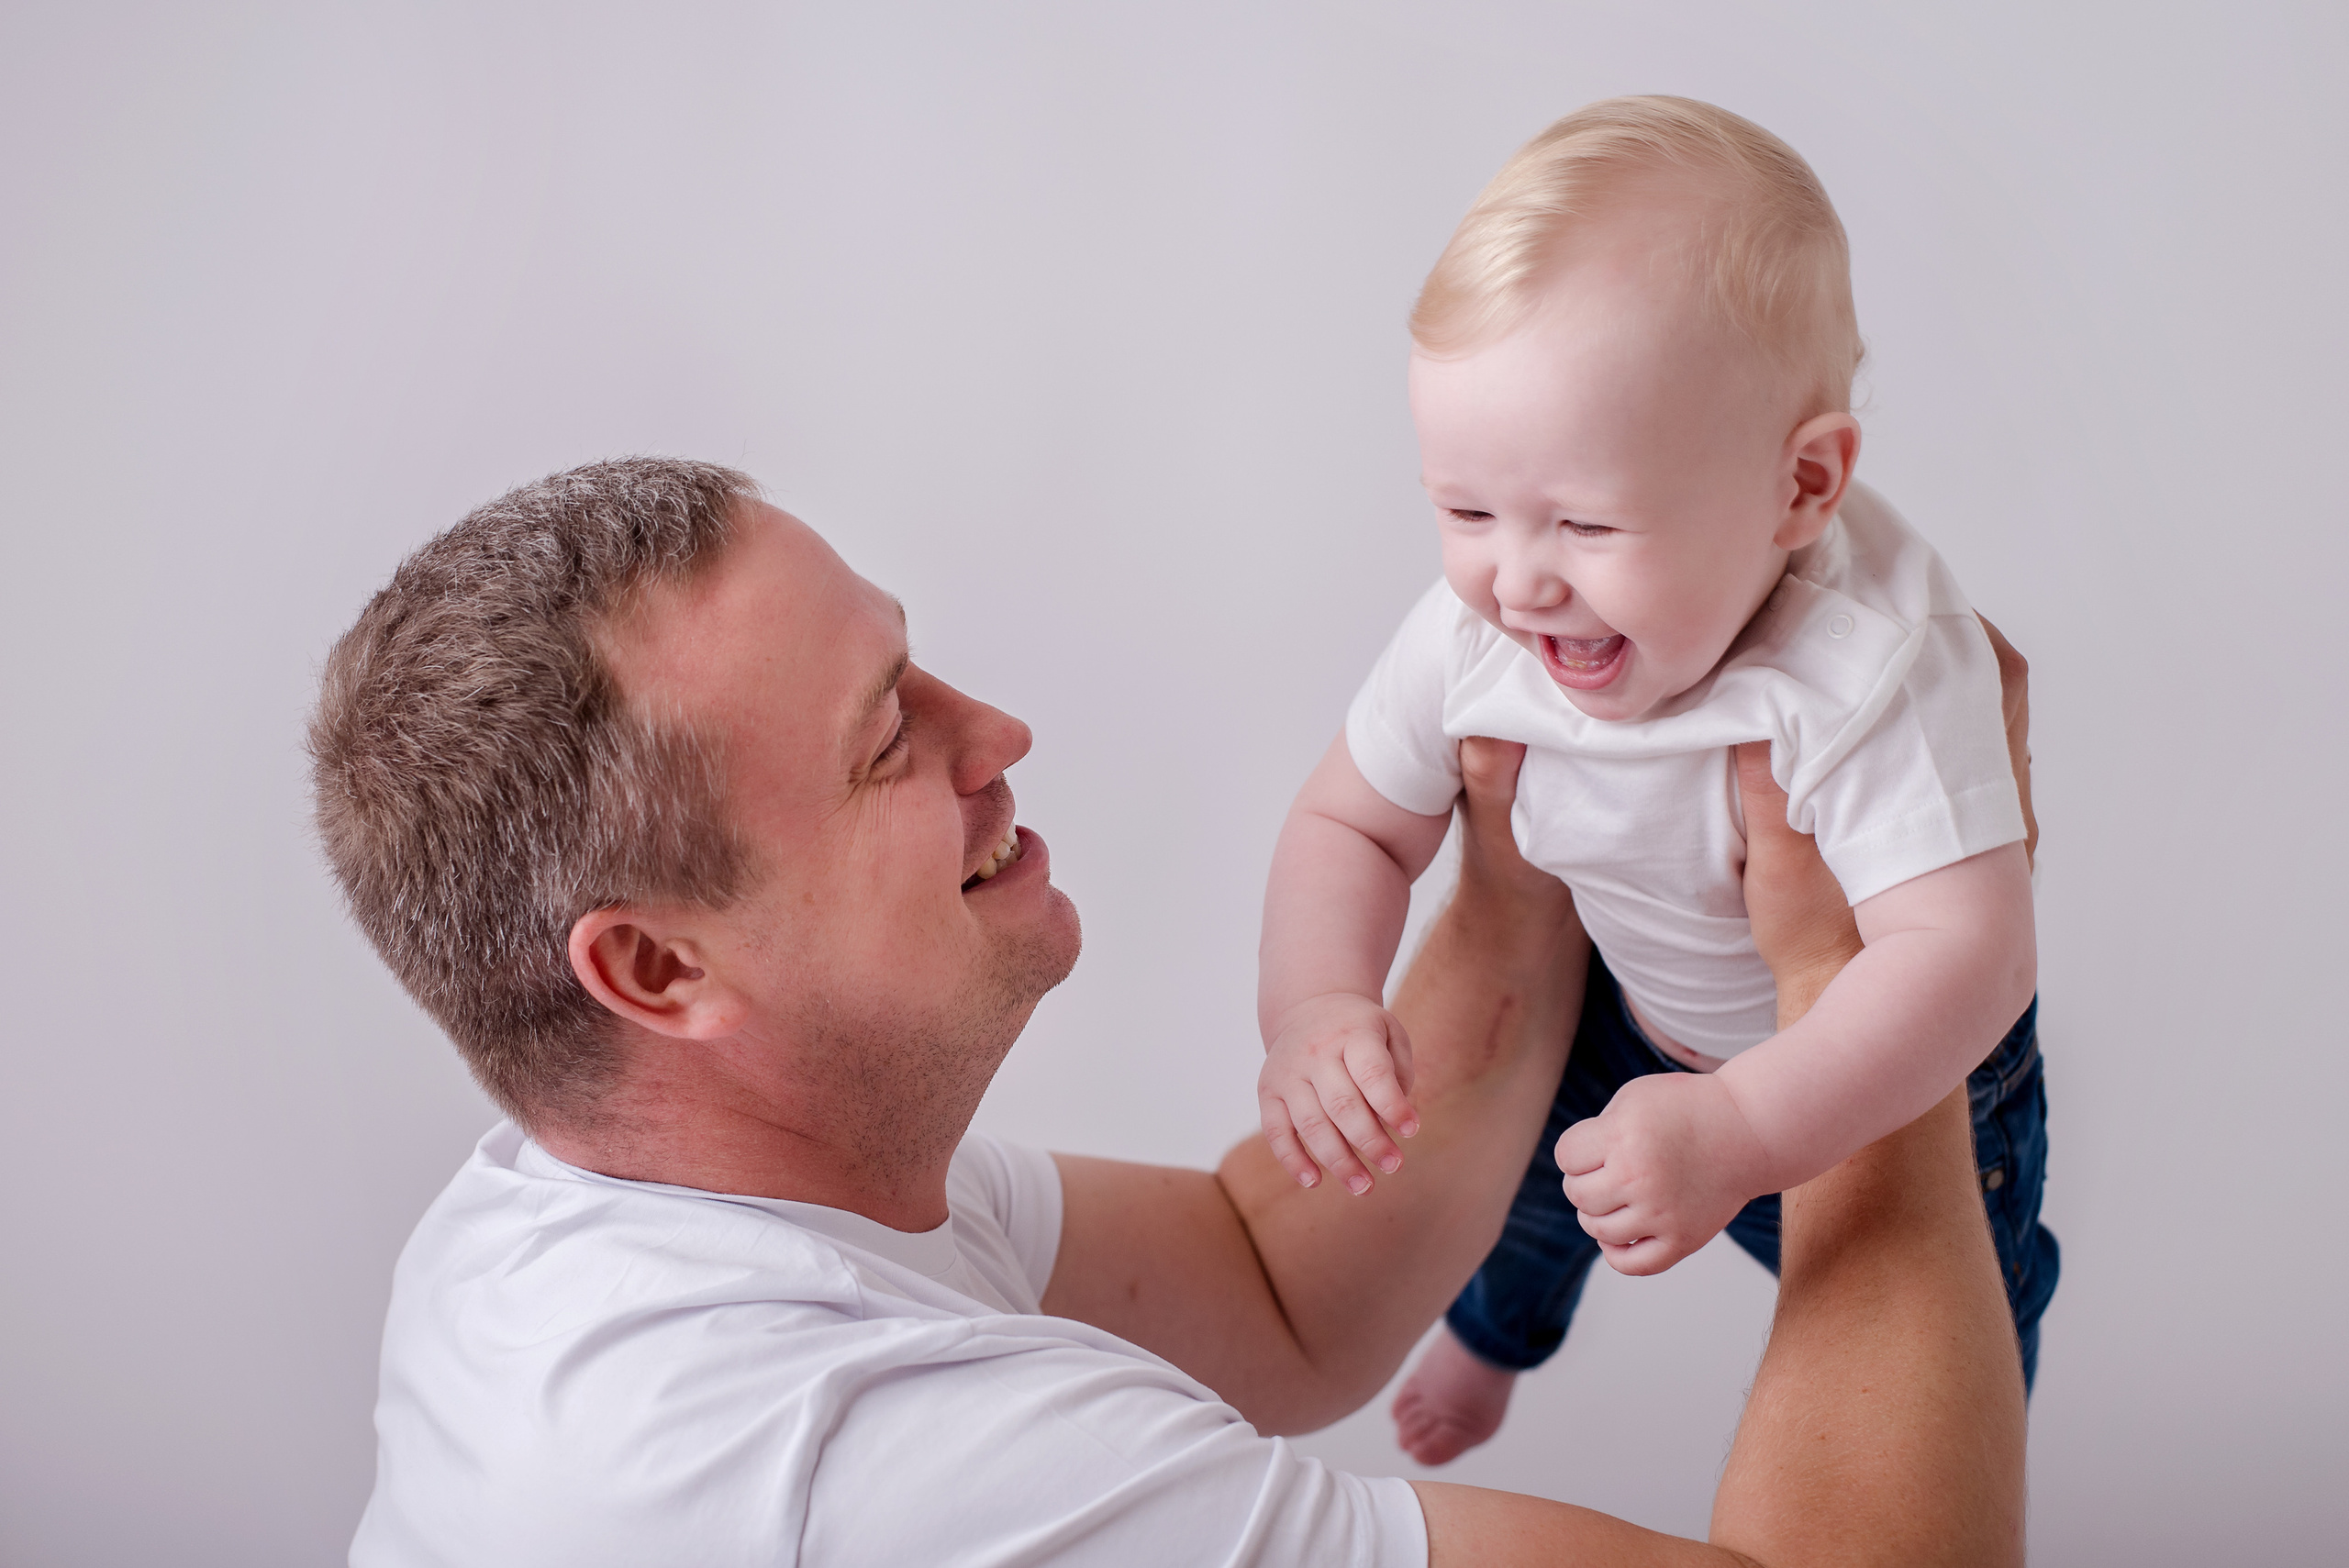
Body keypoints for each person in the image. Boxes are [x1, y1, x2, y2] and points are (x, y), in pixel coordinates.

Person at [319, 458, 2028, 1566]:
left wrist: (1522, 854)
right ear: (659, 971)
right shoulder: (868, 1472)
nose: (993, 728)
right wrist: (1873, 970)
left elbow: (1275, 1289)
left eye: (916, 662)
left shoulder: (609, 1207)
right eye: (883, 738)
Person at [1250, 96, 2058, 1464]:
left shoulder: (1868, 666)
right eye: (1465, 510)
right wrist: (1317, 1003)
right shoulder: (1476, 631)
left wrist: (1749, 1125)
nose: (1518, 576)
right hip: (1626, 1015)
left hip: (1868, 1070)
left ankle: (1959, 1443)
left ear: (1801, 486)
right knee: (1524, 1190)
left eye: (1586, 521)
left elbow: (1969, 956)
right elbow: (1350, 821)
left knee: (1932, 1324)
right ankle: (1502, 1332)